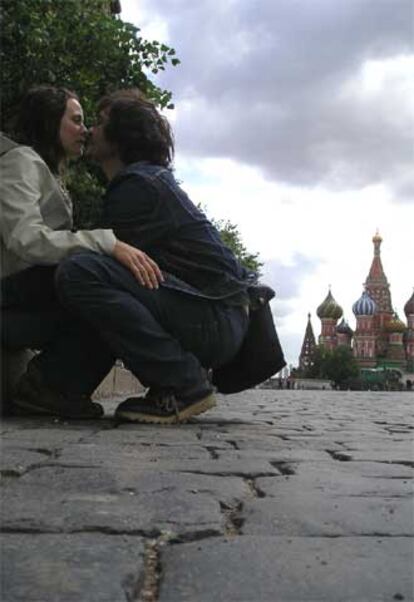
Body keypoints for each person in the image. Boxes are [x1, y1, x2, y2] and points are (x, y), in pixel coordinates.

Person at [42, 89, 257, 424]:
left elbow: (101, 281)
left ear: (121, 137)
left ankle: (184, 384)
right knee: (94, 276)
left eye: (99, 123)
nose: (89, 131)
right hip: (217, 317)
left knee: (80, 273)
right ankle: (59, 388)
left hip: (214, 320)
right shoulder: (145, 181)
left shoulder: (137, 187)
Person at [1, 85, 162, 418]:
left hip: (21, 295)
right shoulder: (21, 161)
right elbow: (25, 238)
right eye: (76, 120)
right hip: (9, 295)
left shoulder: (46, 170)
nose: (85, 130)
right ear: (49, 122)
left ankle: (54, 387)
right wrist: (104, 242)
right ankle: (51, 390)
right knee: (97, 286)